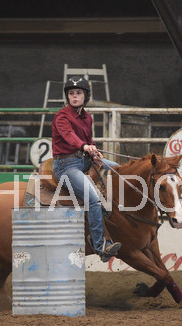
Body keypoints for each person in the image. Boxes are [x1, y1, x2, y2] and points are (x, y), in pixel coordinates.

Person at [52, 76, 121, 262]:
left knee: (119, 170)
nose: (74, 96)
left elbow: (88, 140)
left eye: (78, 93)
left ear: (85, 96)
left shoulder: (87, 118)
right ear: (67, 96)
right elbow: (69, 136)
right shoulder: (62, 116)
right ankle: (100, 246)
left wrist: (94, 152)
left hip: (83, 160)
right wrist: (84, 147)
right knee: (92, 199)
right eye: (71, 93)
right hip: (65, 165)